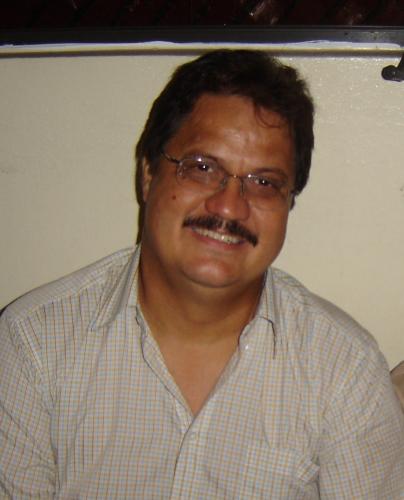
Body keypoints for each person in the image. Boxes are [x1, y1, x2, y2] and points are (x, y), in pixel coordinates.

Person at [0, 49, 403, 499]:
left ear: (289, 204)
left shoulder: (344, 369)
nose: (229, 206)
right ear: (148, 175)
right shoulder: (34, 343)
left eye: (264, 182)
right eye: (202, 168)